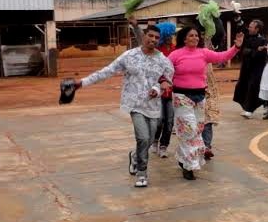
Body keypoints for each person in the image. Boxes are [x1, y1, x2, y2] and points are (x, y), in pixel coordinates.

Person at [74, 24, 173, 188]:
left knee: (148, 141)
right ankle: (142, 173)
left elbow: (169, 77)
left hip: (153, 106)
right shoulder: (129, 56)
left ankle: (135, 156)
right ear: (143, 36)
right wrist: (82, 83)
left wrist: (158, 88)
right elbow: (107, 71)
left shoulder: (163, 60)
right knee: (142, 137)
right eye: (150, 36)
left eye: (157, 37)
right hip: (134, 104)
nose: (153, 40)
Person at [169, 26, 243, 179]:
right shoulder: (175, 55)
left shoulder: (203, 53)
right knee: (188, 130)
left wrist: (236, 46)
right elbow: (163, 70)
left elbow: (222, 56)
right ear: (184, 38)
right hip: (182, 96)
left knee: (197, 130)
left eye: (197, 35)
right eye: (191, 35)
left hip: (200, 97)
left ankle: (183, 159)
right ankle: (188, 167)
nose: (195, 38)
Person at [233, 19, 268, 118]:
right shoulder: (247, 36)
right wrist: (238, 17)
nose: (249, 28)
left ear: (257, 29)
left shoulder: (263, 40)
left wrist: (249, 52)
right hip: (246, 67)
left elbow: (261, 54)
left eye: (251, 27)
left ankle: (250, 110)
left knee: (253, 87)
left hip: (257, 68)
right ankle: (255, 105)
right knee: (242, 86)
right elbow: (241, 27)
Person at [151, 22, 177, 158]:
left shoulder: (175, 49)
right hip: (159, 89)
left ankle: (164, 146)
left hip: (173, 90)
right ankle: (155, 140)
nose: (170, 37)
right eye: (167, 35)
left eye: (171, 35)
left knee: (170, 121)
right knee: (160, 120)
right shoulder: (157, 51)